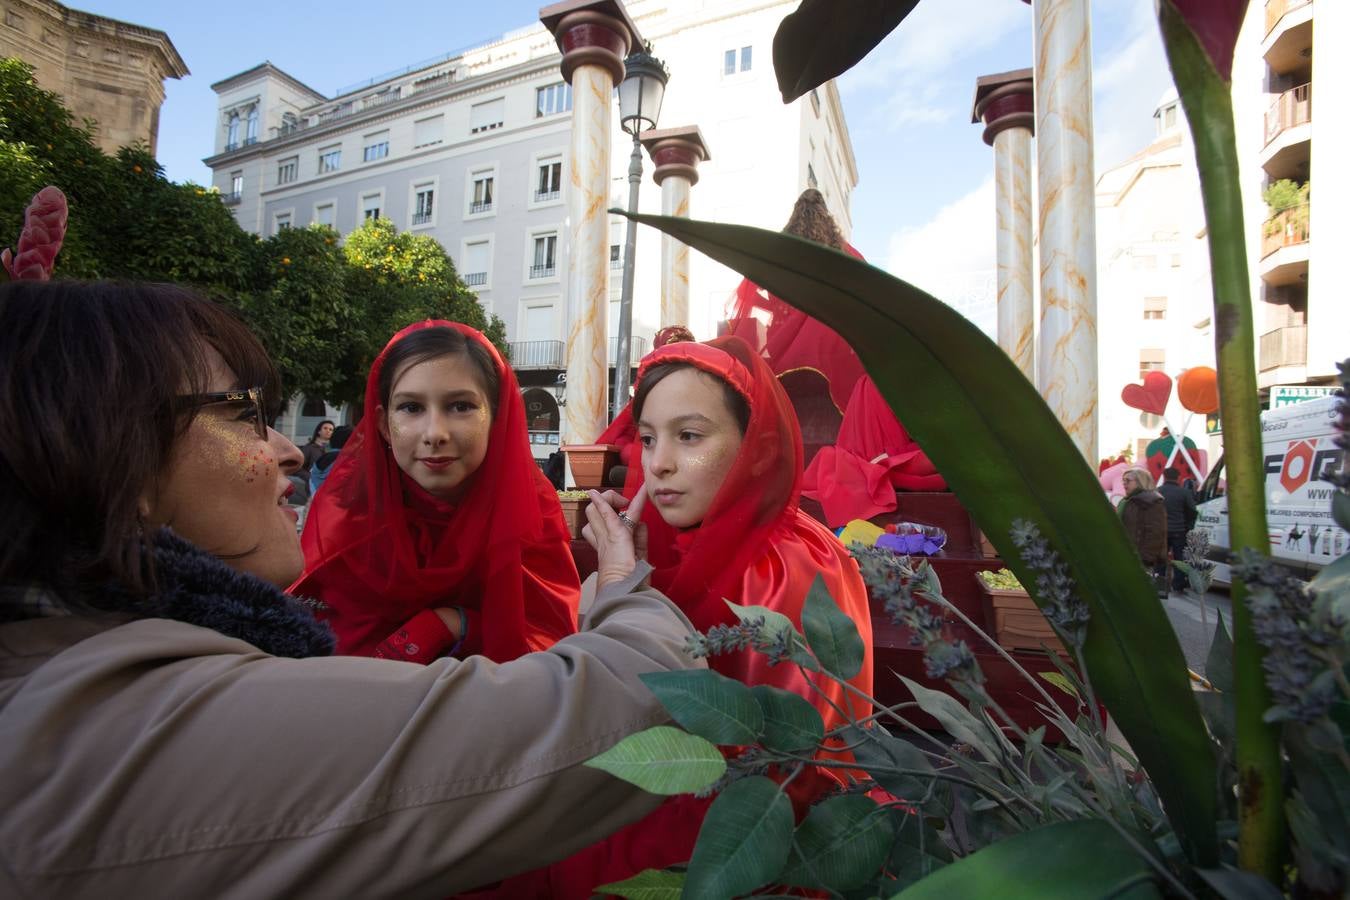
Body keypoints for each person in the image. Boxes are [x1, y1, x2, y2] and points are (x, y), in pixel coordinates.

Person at [0, 280, 706, 897]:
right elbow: (619, 711)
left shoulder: (101, 643)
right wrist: (616, 582)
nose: (285, 449)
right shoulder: (132, 717)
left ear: (501, 418)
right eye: (244, 413)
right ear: (116, 460)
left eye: (461, 406)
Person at [529, 335, 876, 899]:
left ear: (754, 446)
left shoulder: (785, 563)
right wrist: (629, 573)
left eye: (688, 436)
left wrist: (620, 584)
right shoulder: (673, 539)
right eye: (646, 438)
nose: (659, 463)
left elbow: (778, 766)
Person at [291, 321, 580, 663]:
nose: (434, 433)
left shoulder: (530, 516)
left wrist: (452, 623)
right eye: (411, 408)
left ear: (497, 418)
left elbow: (550, 645)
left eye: (460, 406)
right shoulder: (351, 521)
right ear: (384, 425)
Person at [1119, 465, 1169, 596]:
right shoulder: (1128, 501)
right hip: (1126, 556)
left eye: (1128, 480)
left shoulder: (1152, 502)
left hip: (1139, 559)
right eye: (1123, 480)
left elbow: (1156, 533)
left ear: (1140, 481)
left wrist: (1145, 558)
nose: (1124, 484)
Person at [1158, 466, 1198, 592]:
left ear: (1164, 476)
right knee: (1180, 558)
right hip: (1179, 530)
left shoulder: (1158, 491)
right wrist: (1187, 524)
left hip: (1162, 531)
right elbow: (1193, 510)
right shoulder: (1184, 492)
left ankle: (1160, 584)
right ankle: (1178, 585)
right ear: (1178, 477)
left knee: (1161, 558)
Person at [307, 423, 352, 497]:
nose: (328, 431)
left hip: (317, 501)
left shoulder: (327, 455)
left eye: (331, 429)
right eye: (325, 428)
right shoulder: (345, 460)